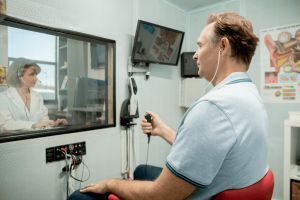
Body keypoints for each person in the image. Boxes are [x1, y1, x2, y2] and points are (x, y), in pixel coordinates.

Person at [67, 12, 268, 200]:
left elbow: (159, 195)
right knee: (142, 170)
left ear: (223, 47)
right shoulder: (249, 94)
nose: (195, 55)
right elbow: (207, 148)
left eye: (200, 46)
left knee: (79, 196)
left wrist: (111, 183)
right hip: (225, 182)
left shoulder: (214, 107)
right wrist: (162, 130)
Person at [0, 57, 68, 131]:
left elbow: (44, 121)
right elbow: (5, 125)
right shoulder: (4, 97)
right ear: (18, 76)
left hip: (38, 140)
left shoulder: (37, 96)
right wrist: (33, 125)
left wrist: (53, 124)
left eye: (36, 75)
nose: (36, 79)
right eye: (31, 75)